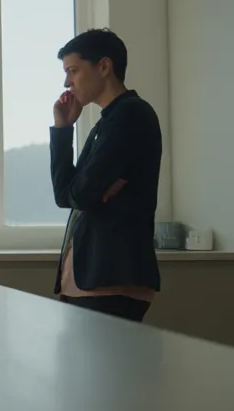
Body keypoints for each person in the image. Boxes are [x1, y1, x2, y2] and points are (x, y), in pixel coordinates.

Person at [49, 28, 162, 322]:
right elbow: (67, 196)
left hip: (111, 281)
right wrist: (62, 131)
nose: (66, 82)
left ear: (103, 66)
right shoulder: (105, 124)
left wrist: (88, 191)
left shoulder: (130, 115)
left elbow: (82, 196)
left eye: (73, 70)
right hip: (89, 282)